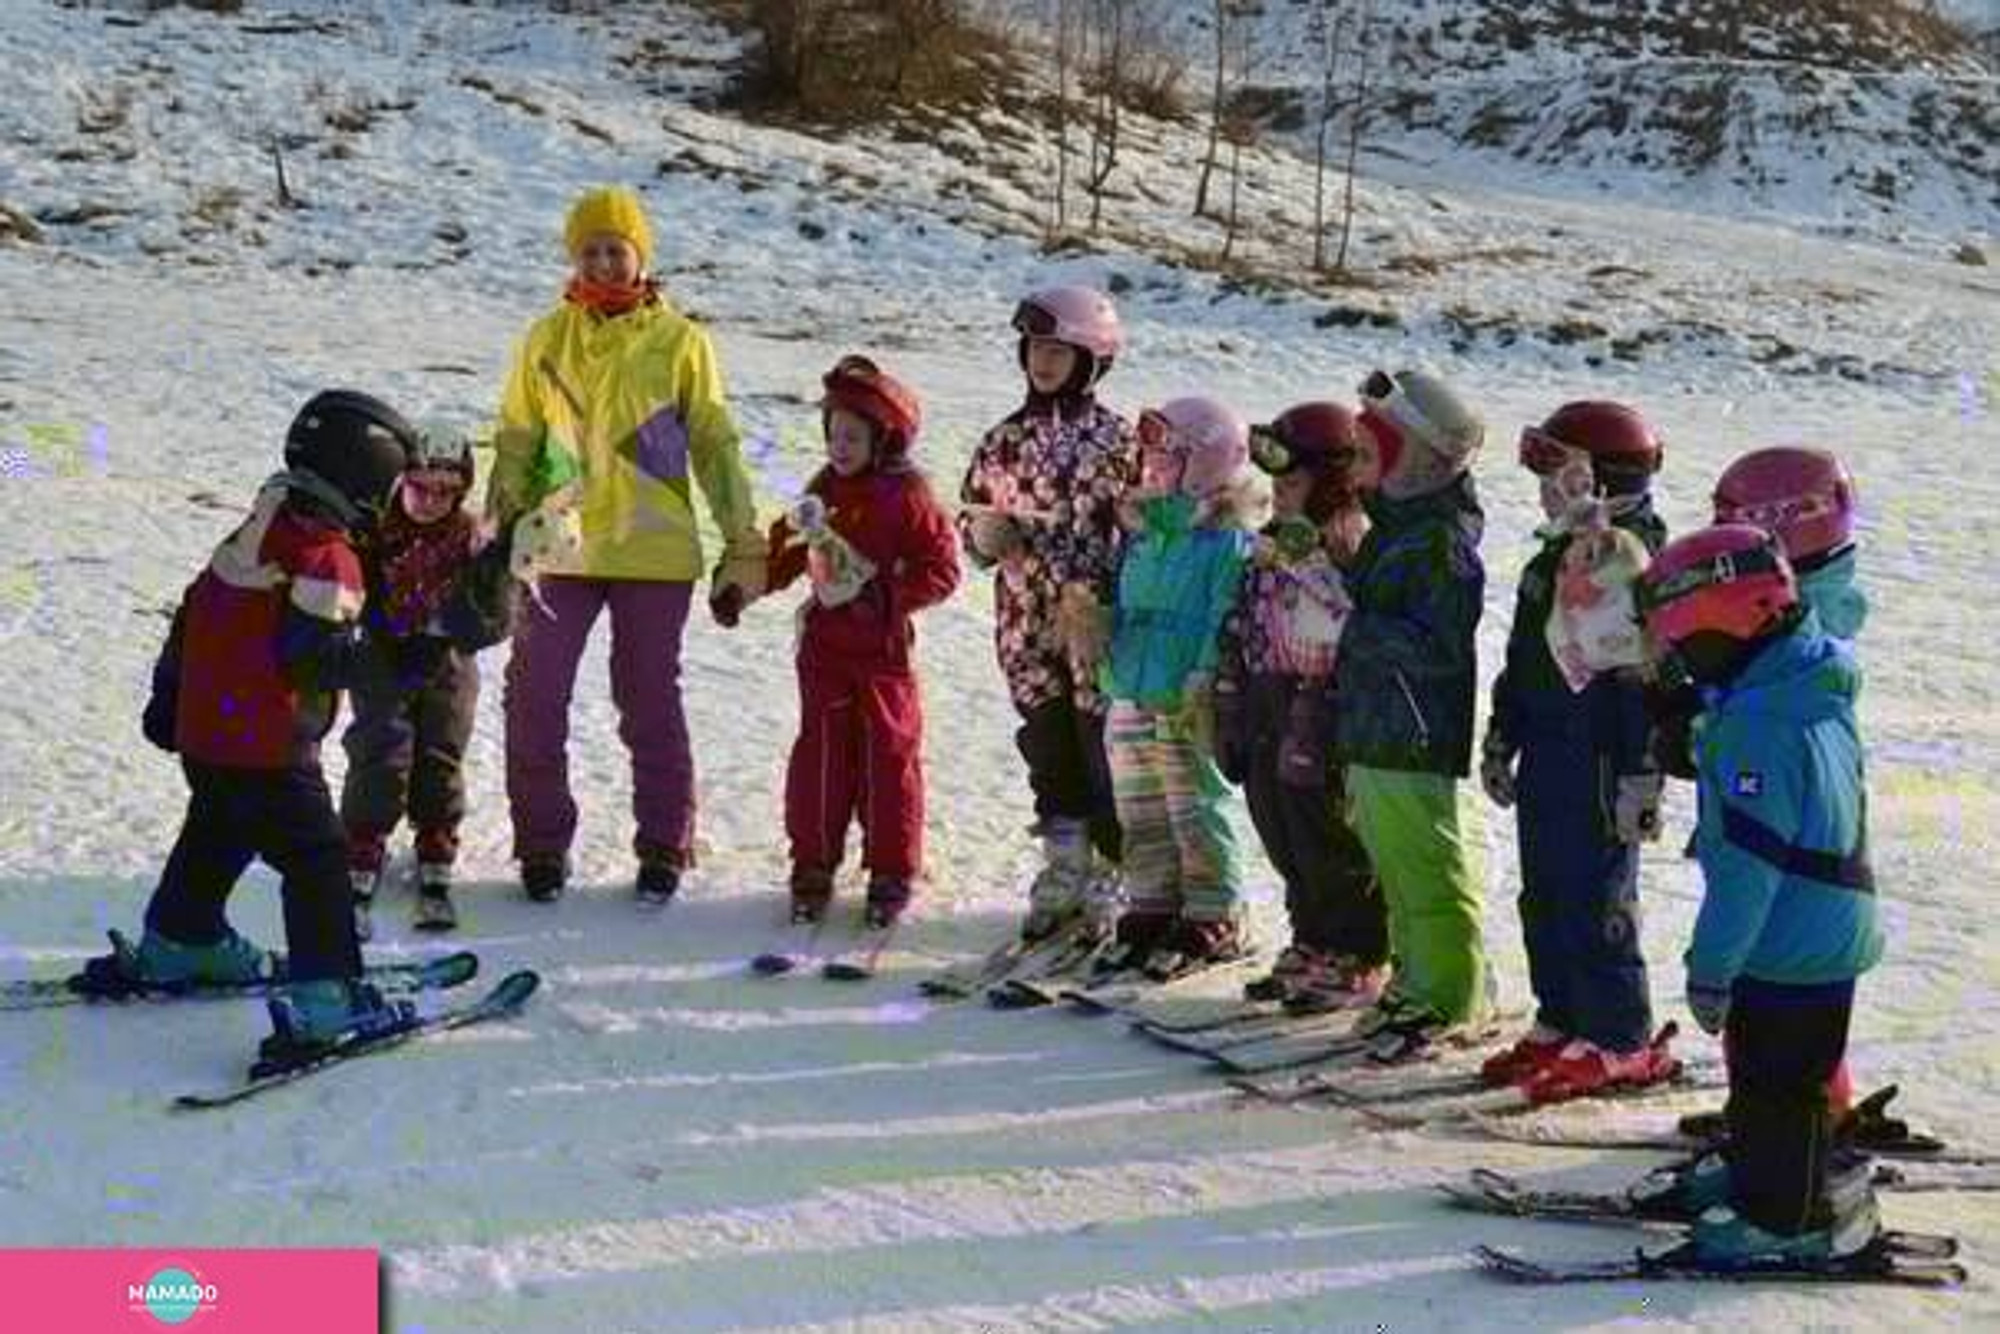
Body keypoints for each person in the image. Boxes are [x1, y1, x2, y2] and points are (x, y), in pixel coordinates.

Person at [89, 390, 428, 1063]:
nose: (392, 501)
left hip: (206, 736)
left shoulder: (255, 530)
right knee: (317, 860)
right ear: (362, 476)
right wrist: (392, 658)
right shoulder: (326, 556)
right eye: (392, 487)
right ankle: (326, 1000)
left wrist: (169, 698)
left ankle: (182, 941)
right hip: (269, 747)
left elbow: (194, 615)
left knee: (220, 826)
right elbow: (315, 657)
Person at [486, 185, 766, 905]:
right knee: (534, 695)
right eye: (592, 250)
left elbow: (714, 443)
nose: (606, 262)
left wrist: (744, 540)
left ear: (642, 255)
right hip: (561, 546)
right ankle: (542, 845)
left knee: (647, 699)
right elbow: (518, 437)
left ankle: (665, 843)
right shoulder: (546, 338)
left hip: (654, 550)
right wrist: (497, 526)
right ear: (574, 258)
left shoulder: (681, 344)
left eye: (618, 248)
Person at [1634, 522, 1883, 1267]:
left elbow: (1748, 872)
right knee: (1770, 1077)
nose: (1679, 660)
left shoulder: (1759, 730)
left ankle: (1786, 1221)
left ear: (1729, 624)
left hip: (1789, 941)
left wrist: (1712, 968)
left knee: (1782, 1087)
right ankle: (1756, 1175)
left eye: (1687, 644)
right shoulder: (1800, 685)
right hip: (1820, 927)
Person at [1478, 401, 1679, 1099]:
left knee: (1597, 896)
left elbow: (1643, 679)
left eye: (1556, 469)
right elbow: (1522, 656)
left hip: (1601, 755)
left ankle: (1620, 1037)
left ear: (1602, 477)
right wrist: (1504, 731)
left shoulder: (1636, 565)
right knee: (1547, 893)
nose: (1543, 486)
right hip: (1548, 752)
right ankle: (1562, 1017)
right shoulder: (1552, 559)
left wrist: (1640, 773)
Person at [957, 286, 1136, 941]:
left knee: (1102, 748)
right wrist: (983, 538)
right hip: (1025, 624)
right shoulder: (1004, 440)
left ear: (1092, 358)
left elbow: (1142, 527)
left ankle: (1115, 869)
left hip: (1094, 626)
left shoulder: (1118, 441)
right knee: (1047, 743)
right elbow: (971, 512)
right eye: (1036, 348)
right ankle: (1064, 862)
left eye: (1060, 350)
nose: (1045, 362)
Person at [759, 356, 960, 927]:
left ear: (885, 438)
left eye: (852, 436)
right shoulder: (824, 487)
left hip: (882, 655)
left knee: (888, 759)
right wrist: (750, 583)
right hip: (823, 650)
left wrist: (887, 597)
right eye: (832, 435)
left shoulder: (909, 495)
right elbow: (791, 545)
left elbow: (941, 569)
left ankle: (892, 871)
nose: (839, 446)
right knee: (821, 757)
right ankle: (813, 863)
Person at [1332, 367, 1489, 1054]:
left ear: (1415, 461)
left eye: (1369, 457)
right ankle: (1413, 979)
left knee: (1425, 865)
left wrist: (1348, 620)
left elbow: (1434, 645)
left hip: (1413, 728)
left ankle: (1452, 991)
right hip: (1372, 723)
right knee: (1391, 865)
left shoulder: (1439, 542)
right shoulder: (1391, 531)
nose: (1356, 475)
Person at [1215, 402, 1387, 1011]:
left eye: (1291, 484)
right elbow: (1242, 616)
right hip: (1269, 695)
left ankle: (1358, 950)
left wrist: (1301, 558)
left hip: (1323, 701)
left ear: (1330, 479)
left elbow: (1350, 613)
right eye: (1275, 486)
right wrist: (1229, 688)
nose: (1280, 496)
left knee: (1326, 830)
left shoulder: (1348, 538)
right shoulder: (1268, 541)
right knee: (1279, 823)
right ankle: (1312, 937)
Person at [1093, 397, 1260, 972]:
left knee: (1193, 804)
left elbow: (1225, 614)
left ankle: (1214, 910)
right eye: (1150, 456)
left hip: (1185, 694)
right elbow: (1125, 599)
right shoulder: (1145, 533)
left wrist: (1205, 674)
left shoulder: (1225, 542)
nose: (1153, 467)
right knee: (1138, 804)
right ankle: (1153, 900)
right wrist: (1098, 633)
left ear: (1207, 462)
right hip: (1132, 684)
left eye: (1169, 457)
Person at [342, 420, 515, 938]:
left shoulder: (472, 538)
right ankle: (364, 836)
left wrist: (463, 620)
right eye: (419, 485)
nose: (430, 500)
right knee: (380, 747)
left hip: (448, 663)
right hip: (382, 658)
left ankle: (437, 836)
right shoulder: (374, 531)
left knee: (440, 749)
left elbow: (498, 613)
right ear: (400, 481)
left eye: (446, 490)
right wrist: (369, 625)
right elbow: (349, 586)